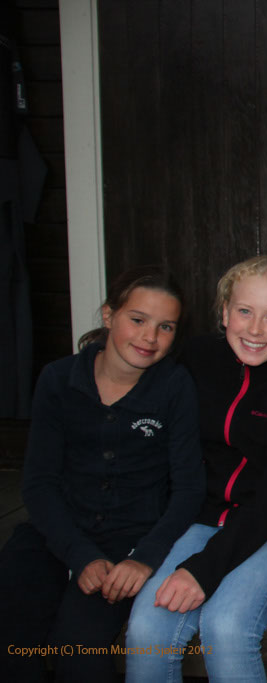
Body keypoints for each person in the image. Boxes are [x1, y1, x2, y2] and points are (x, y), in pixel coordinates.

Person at [0, 266, 204, 682]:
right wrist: (79, 554)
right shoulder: (59, 379)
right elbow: (38, 483)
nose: (149, 337)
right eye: (138, 320)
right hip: (56, 530)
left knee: (80, 648)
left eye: (165, 327)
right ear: (109, 315)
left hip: (128, 544)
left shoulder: (174, 386)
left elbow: (188, 489)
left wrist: (143, 560)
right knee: (13, 635)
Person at [125, 256, 267, 681]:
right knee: (147, 628)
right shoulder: (196, 358)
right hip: (200, 516)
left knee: (226, 626)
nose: (255, 329)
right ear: (224, 312)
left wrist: (204, 569)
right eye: (244, 311)